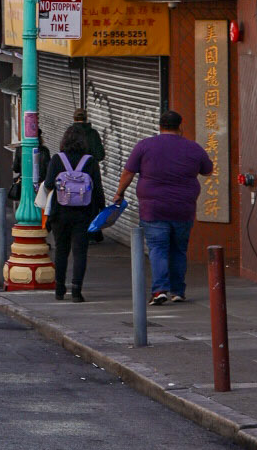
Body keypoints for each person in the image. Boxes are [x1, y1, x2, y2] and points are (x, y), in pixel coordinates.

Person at [113, 108, 215, 305]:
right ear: (180, 126)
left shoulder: (145, 146)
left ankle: (160, 290)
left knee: (158, 248)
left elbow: (128, 173)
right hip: (183, 208)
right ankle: (178, 291)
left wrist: (119, 193)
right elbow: (208, 171)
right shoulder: (193, 148)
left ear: (159, 127)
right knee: (178, 250)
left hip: (153, 208)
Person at [46, 111, 106, 301]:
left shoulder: (57, 159)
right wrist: (101, 211)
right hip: (83, 213)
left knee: (61, 251)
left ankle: (59, 289)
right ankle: (77, 290)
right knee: (80, 252)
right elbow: (97, 189)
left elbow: (48, 184)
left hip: (59, 213)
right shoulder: (90, 161)